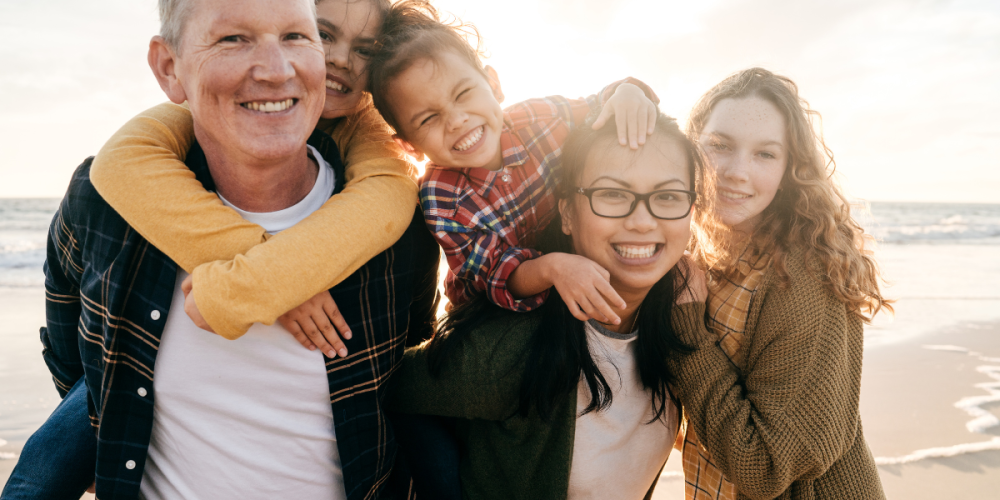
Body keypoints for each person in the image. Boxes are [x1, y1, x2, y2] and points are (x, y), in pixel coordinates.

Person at [3, 0, 437, 498]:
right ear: (169, 67)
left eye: (295, 36)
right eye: (233, 39)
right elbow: (76, 358)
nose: (276, 70)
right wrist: (272, 276)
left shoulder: (400, 224)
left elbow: (410, 385)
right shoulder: (107, 202)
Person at [385, 112, 719, 500]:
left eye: (668, 196)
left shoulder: (681, 319)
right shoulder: (513, 349)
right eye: (612, 194)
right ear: (567, 214)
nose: (642, 221)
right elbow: (392, 390)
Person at [670, 68, 891, 500]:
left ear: (790, 168)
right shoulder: (704, 253)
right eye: (720, 146)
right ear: (691, 147)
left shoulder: (803, 274)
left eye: (765, 154)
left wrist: (688, 332)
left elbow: (766, 468)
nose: (737, 172)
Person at [369, 0, 661, 324]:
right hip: (492, 315)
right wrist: (553, 267)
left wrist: (627, 93)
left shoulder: (539, 118)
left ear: (493, 84)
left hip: (576, 272)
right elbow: (498, 275)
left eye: (463, 94)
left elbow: (600, 105)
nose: (456, 120)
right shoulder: (441, 197)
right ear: (410, 146)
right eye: (428, 119)